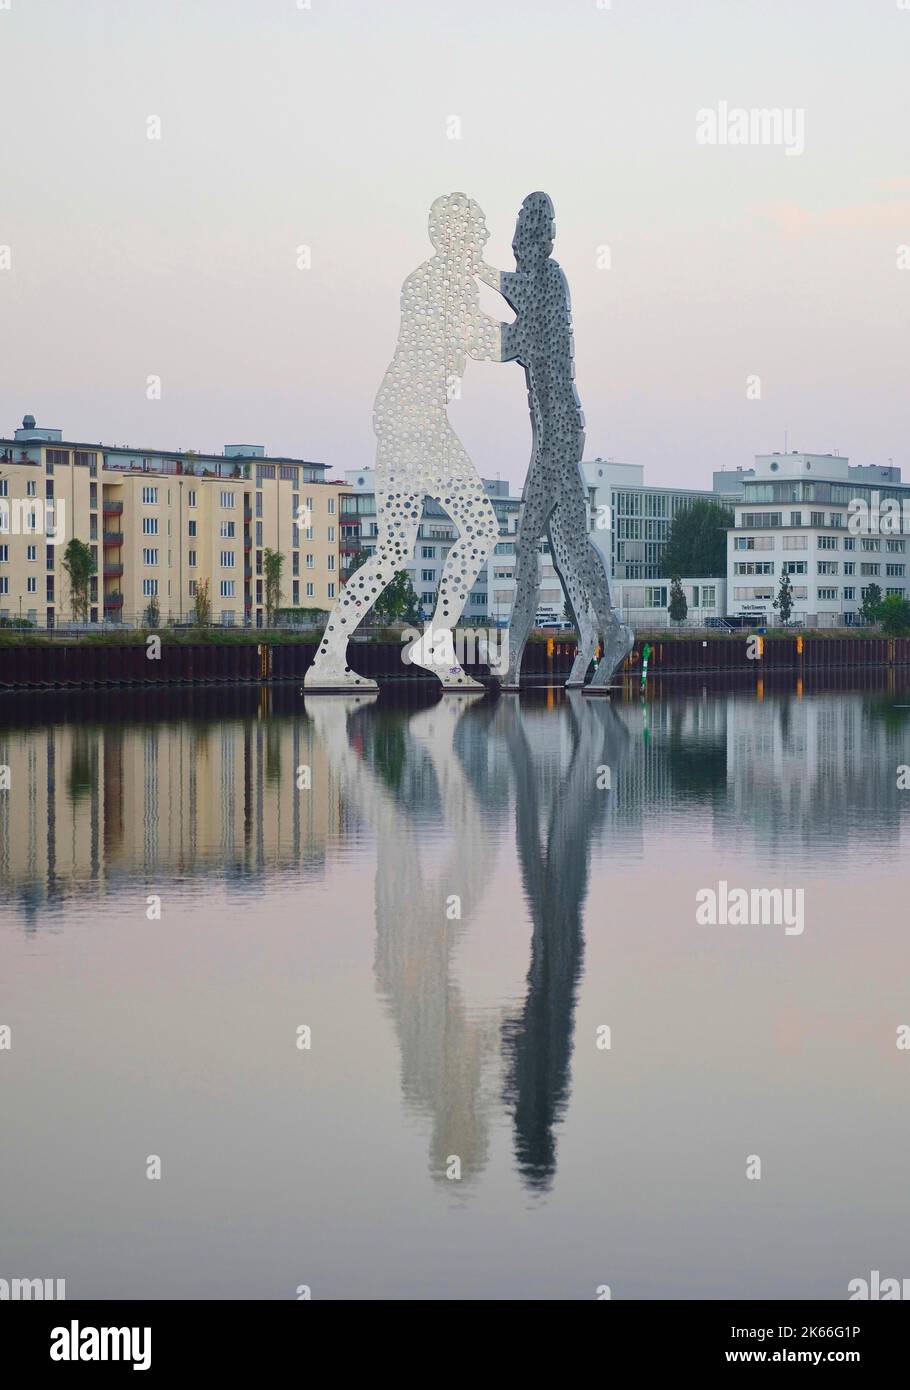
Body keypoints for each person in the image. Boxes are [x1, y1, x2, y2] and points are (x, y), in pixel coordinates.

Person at [305, 193, 506, 692]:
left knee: (393, 550)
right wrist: (537, 332)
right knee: (480, 527)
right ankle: (433, 644)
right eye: (475, 232)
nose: (482, 240)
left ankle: (329, 659)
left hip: (406, 417)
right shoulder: (433, 284)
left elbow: (476, 336)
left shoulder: (444, 281)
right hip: (415, 420)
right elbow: (481, 340)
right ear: (451, 236)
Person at [478, 192, 633, 692]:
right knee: (568, 543)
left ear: (533, 235)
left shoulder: (547, 279)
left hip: (558, 437)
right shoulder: (538, 289)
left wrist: (467, 268)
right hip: (556, 433)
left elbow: (505, 319)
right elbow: (506, 340)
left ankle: (513, 664)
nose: (520, 240)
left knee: (526, 541)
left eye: (524, 229)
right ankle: (606, 634)